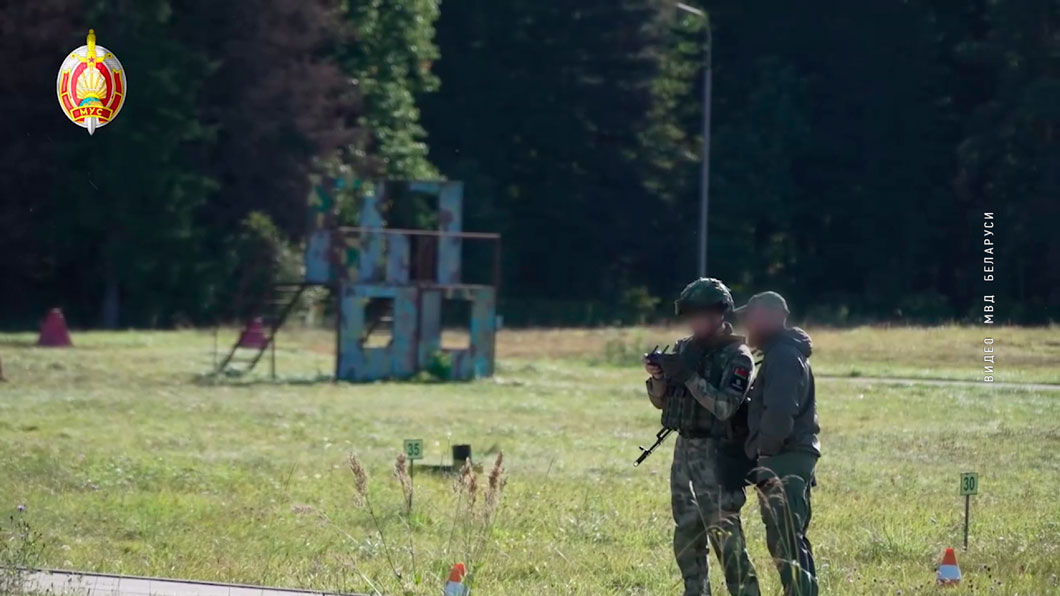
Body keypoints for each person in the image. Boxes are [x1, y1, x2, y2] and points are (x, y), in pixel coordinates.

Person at [643, 278, 760, 596]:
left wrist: (689, 376)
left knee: (725, 536)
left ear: (719, 314)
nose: (693, 322)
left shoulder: (738, 356)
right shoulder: (685, 351)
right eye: (690, 315)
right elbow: (661, 402)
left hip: (718, 454)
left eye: (699, 315)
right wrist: (658, 378)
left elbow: (724, 407)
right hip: (684, 452)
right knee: (687, 534)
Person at [735, 291, 820, 596]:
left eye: (751, 318)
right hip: (788, 456)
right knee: (788, 538)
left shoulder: (783, 356)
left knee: (785, 541)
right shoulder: (781, 353)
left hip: (783, 457)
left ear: (770, 318)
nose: (746, 325)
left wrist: (766, 452)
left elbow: (781, 409)